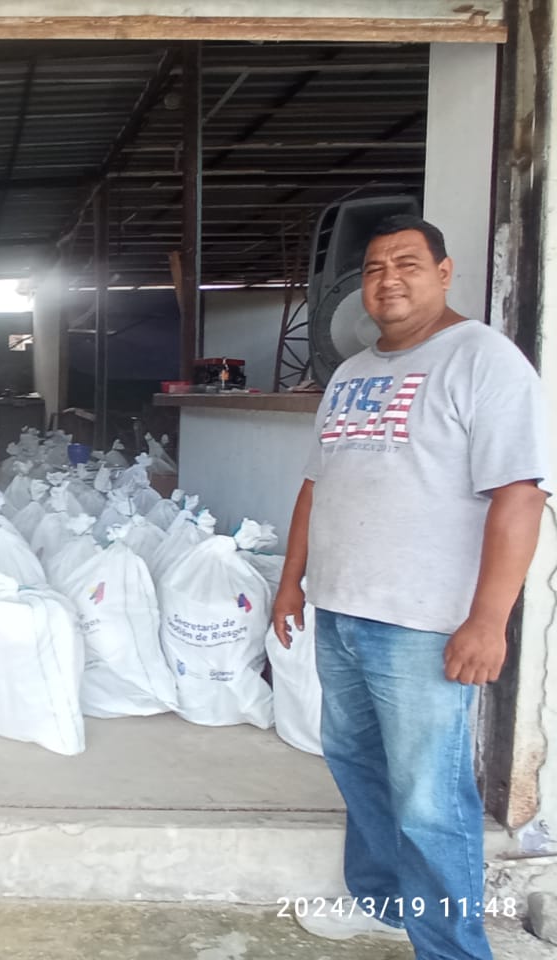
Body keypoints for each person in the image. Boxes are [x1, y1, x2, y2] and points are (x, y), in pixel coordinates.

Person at [273, 216, 549, 958]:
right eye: (373, 268)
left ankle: (451, 948)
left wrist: (488, 621)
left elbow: (520, 495)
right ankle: (383, 902)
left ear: (444, 272)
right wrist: (291, 582)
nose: (388, 279)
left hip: (422, 623)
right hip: (341, 610)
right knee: (358, 766)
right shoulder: (351, 373)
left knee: (430, 799)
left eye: (407, 264)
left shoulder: (483, 360)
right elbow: (316, 484)